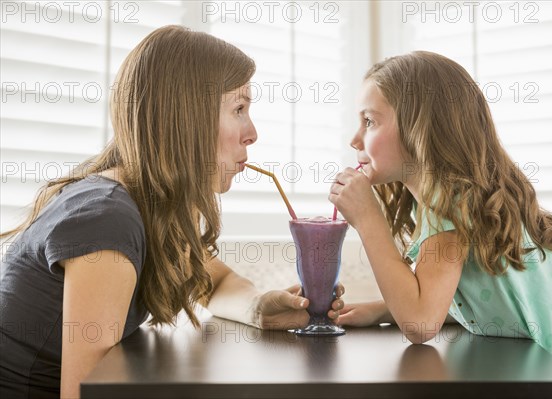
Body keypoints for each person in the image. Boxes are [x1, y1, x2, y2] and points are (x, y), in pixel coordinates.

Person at [0, 25, 344, 399]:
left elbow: (214, 282)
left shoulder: (146, 205)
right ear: (185, 119)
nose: (252, 133)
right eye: (239, 109)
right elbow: (86, 394)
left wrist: (260, 308)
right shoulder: (107, 219)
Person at [329, 51, 552, 398]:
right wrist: (384, 310)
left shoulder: (450, 204)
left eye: (370, 121)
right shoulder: (459, 197)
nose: (354, 139)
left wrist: (368, 219)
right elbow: (485, 301)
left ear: (420, 128)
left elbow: (421, 324)